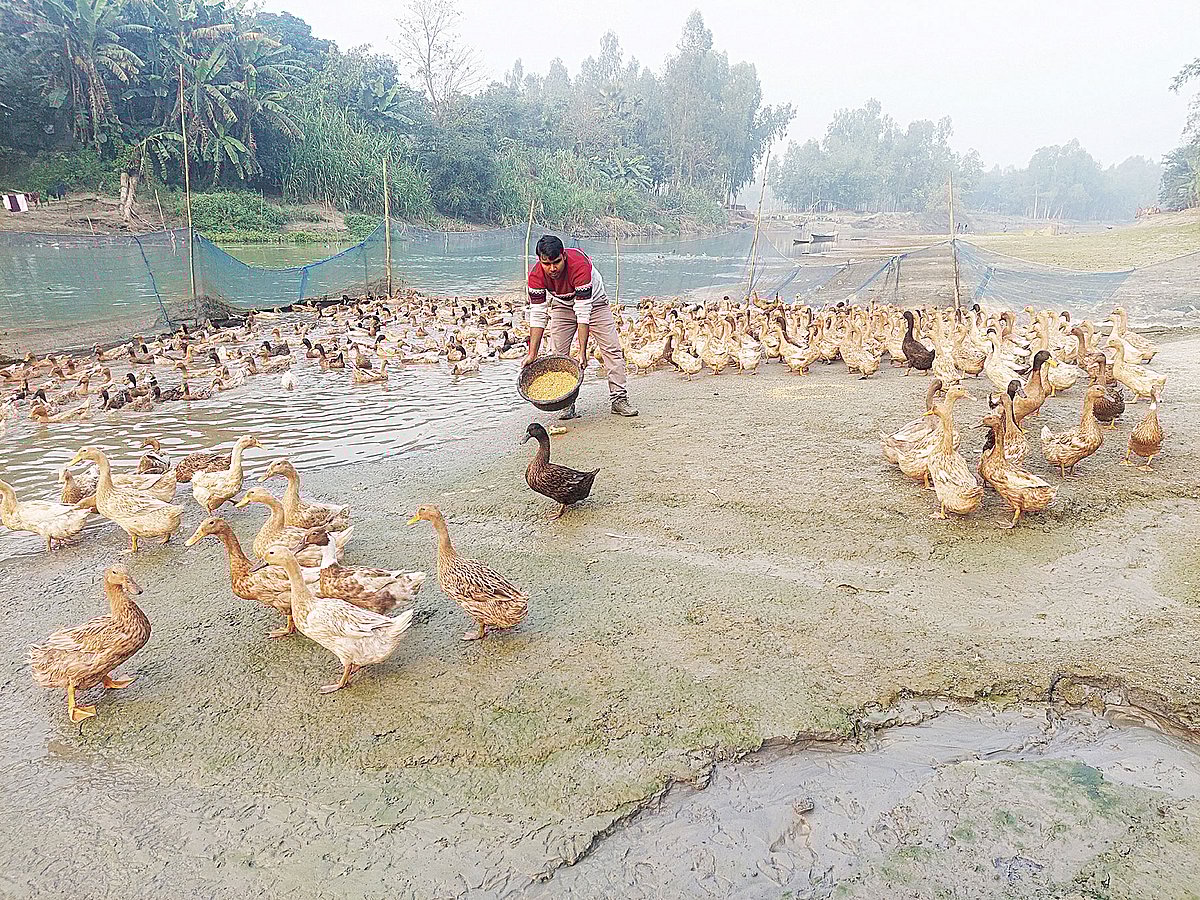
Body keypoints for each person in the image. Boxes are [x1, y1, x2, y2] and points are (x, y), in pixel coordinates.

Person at [524, 234, 637, 419]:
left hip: (595, 303)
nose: (552, 268)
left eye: (557, 262)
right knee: (557, 354)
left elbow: (583, 313)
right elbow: (538, 315)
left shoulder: (579, 265)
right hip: (562, 304)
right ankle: (566, 403)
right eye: (546, 264)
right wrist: (532, 353)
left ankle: (619, 399)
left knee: (611, 349)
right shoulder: (536, 275)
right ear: (540, 260)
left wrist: (583, 351)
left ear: (564, 256)